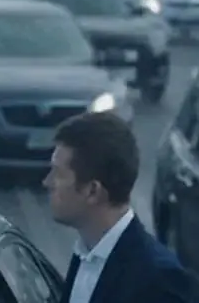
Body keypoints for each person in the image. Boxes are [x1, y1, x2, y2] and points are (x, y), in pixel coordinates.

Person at [45, 112, 196, 303]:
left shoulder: (161, 281)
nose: (47, 182)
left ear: (92, 191)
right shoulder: (86, 254)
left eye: (58, 174)